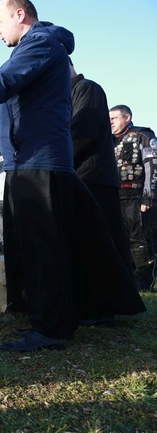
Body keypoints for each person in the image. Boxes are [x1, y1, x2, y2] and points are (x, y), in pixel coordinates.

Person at [0, 0, 144, 352]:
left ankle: (51, 330)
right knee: (55, 244)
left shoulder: (41, 44)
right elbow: (3, 102)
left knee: (43, 248)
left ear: (20, 15)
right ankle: (72, 314)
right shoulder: (38, 51)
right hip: (31, 162)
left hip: (39, 163)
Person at [68, 61, 134, 300]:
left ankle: (105, 305)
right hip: (79, 177)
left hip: (94, 179)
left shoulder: (87, 90)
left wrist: (54, 158)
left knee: (100, 244)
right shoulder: (65, 94)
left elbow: (80, 133)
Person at [109, 104, 157, 292]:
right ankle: (127, 280)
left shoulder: (143, 136)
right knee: (121, 239)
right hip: (116, 197)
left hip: (138, 197)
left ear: (127, 117)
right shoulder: (109, 140)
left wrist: (148, 197)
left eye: (114, 118)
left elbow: (152, 166)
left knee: (140, 240)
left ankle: (143, 283)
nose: (110, 123)